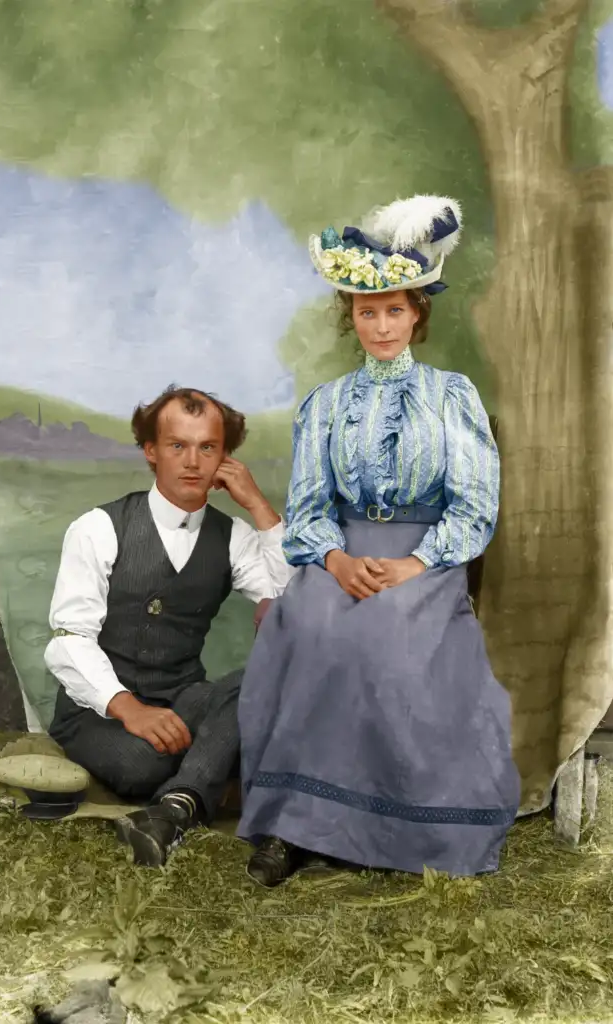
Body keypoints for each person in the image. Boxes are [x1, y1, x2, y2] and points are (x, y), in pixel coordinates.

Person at [237, 194, 521, 887]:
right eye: (368, 312)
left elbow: (474, 505)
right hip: (342, 555)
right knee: (311, 624)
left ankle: (407, 827)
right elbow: (307, 508)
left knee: (387, 640)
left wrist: (411, 563)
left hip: (425, 558)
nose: (381, 325)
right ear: (351, 318)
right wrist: (334, 558)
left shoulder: (450, 396)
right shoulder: (326, 405)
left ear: (416, 314)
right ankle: (291, 825)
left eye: (395, 310)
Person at [44, 385, 294, 866]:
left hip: (184, 696)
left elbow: (289, 600)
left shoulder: (234, 536)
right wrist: (129, 709)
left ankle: (171, 812)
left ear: (225, 457)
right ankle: (204, 779)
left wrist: (259, 507)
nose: (193, 462)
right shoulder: (98, 527)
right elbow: (68, 640)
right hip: (100, 710)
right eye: (177, 445)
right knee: (148, 762)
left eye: (208, 447)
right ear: (151, 451)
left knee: (262, 681)